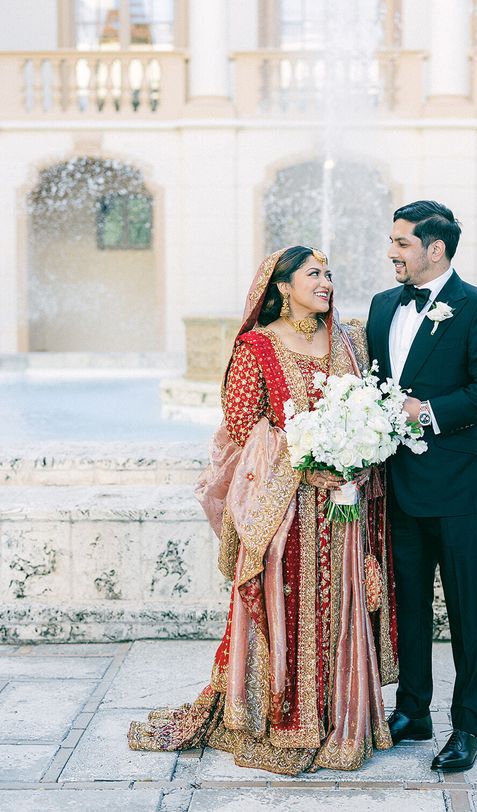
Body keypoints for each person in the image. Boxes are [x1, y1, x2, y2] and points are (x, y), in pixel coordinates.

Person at [128, 246, 398, 775]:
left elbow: (367, 408)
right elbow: (241, 427)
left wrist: (355, 452)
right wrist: (306, 457)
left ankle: (341, 720)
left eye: (328, 274)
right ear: (282, 286)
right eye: (313, 274)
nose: (325, 282)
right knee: (285, 606)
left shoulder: (350, 339)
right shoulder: (257, 346)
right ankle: (284, 722)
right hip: (285, 507)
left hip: (344, 505)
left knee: (343, 604)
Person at [366, 201, 477, 772]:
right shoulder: (383, 305)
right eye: (392, 241)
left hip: (459, 488)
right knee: (407, 604)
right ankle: (413, 712)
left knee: (465, 610)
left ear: (435, 249)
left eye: (402, 243)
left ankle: (469, 728)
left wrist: (426, 412)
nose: (392, 252)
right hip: (398, 484)